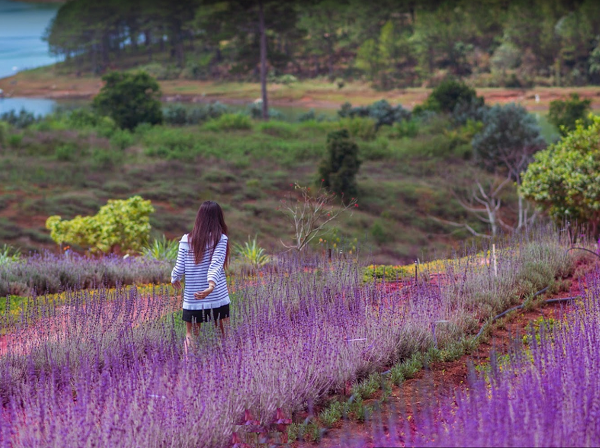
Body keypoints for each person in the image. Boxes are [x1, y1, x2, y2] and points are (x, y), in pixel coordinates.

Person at [171, 201, 230, 350]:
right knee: (222, 334)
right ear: (218, 218)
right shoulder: (220, 239)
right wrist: (210, 286)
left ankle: (188, 369)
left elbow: (180, 266)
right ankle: (227, 366)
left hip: (194, 296)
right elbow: (216, 264)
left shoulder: (186, 240)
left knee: (191, 335)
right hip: (216, 294)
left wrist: (174, 278)